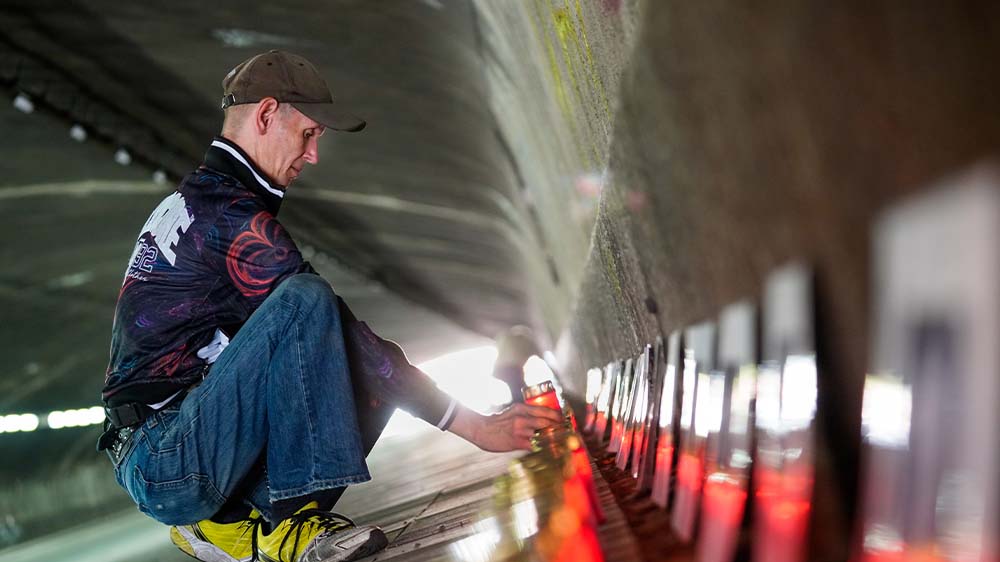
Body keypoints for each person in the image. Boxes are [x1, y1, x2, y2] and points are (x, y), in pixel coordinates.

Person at [97, 50, 563, 562]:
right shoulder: (226, 217)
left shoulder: (207, 201)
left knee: (373, 375)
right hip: (165, 456)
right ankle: (289, 524)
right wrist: (474, 426)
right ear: (266, 114)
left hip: (178, 442)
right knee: (308, 304)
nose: (313, 154)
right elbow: (338, 331)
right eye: (308, 134)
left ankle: (229, 525)